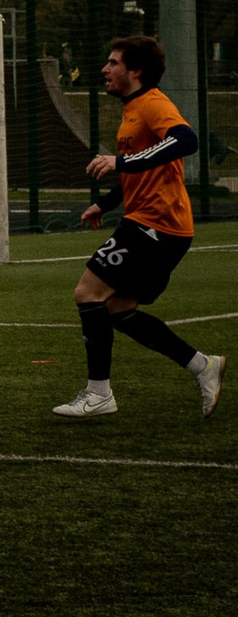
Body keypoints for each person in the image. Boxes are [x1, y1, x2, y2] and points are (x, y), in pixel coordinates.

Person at [53, 34, 223, 419]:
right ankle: (203, 366)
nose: (105, 69)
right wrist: (106, 202)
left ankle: (99, 395)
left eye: (113, 62)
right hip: (155, 225)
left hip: (156, 226)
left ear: (136, 71)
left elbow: (186, 139)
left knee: (87, 292)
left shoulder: (153, 104)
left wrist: (121, 162)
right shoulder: (133, 109)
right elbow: (141, 167)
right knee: (117, 309)